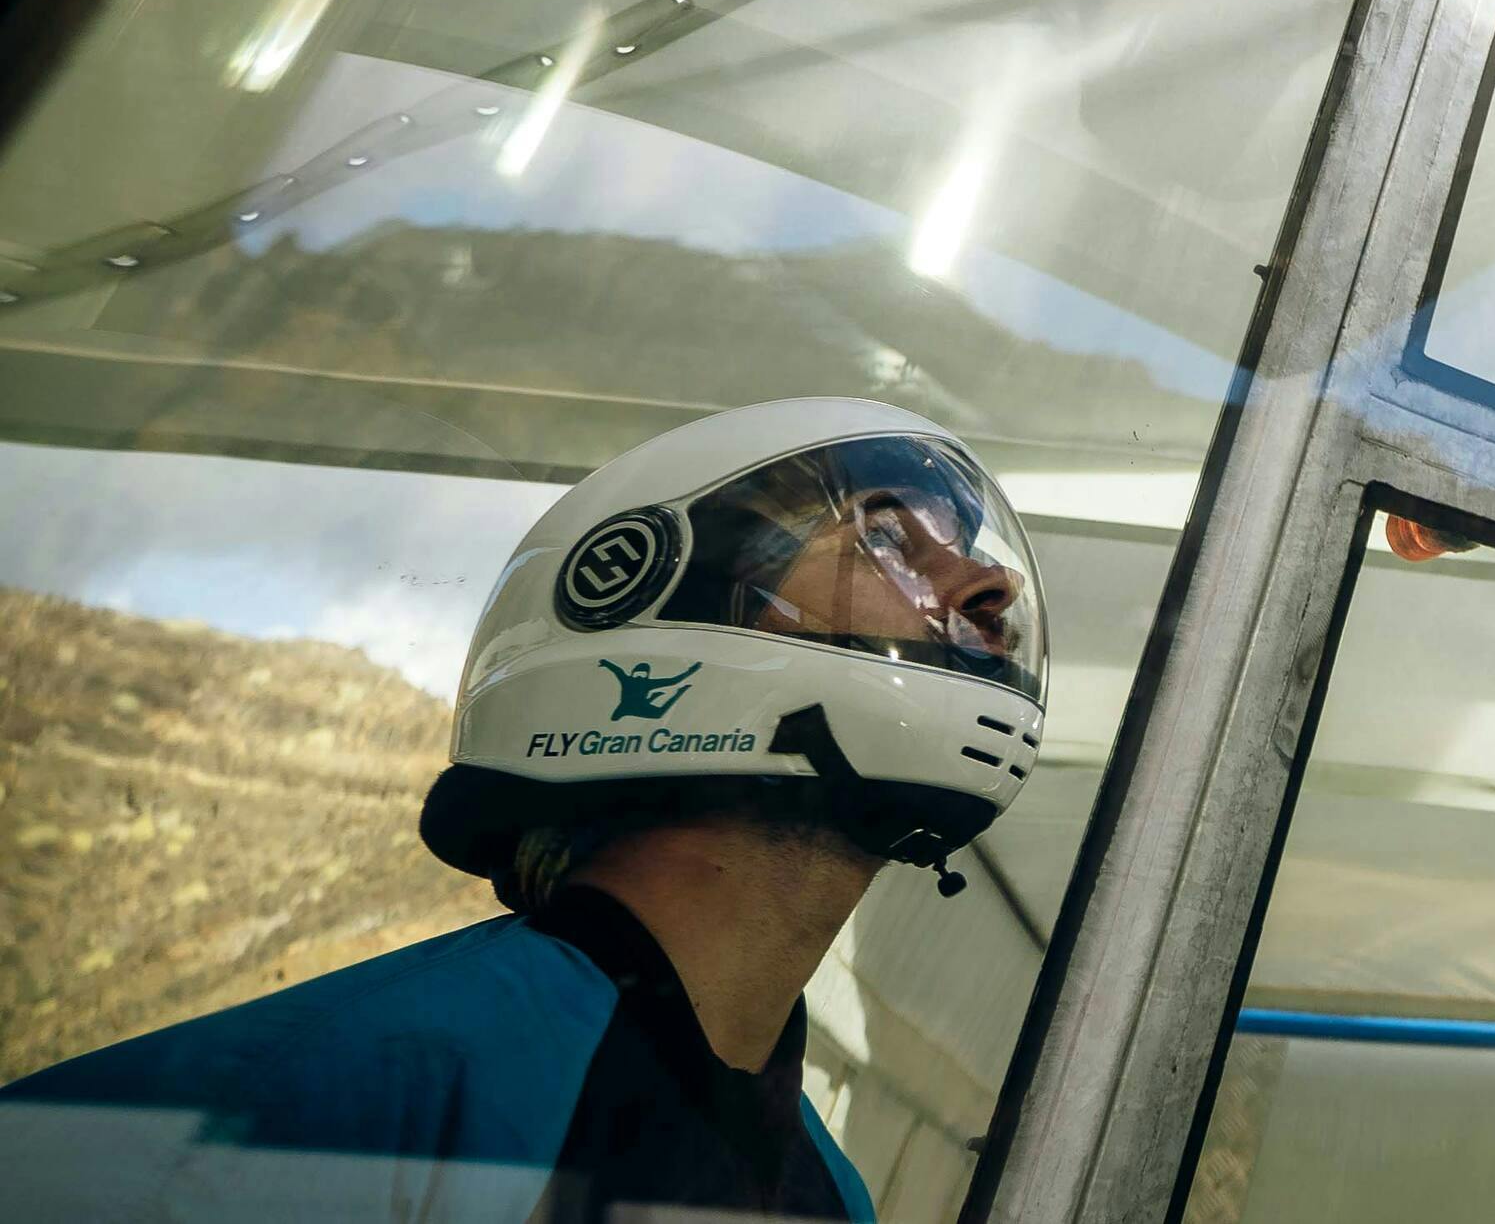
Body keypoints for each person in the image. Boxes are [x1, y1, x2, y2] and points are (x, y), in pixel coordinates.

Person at [1, 398, 1050, 1220]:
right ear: (648, 593)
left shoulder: (833, 1192)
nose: (988, 586)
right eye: (886, 537)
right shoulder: (328, 1100)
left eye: (963, 545)